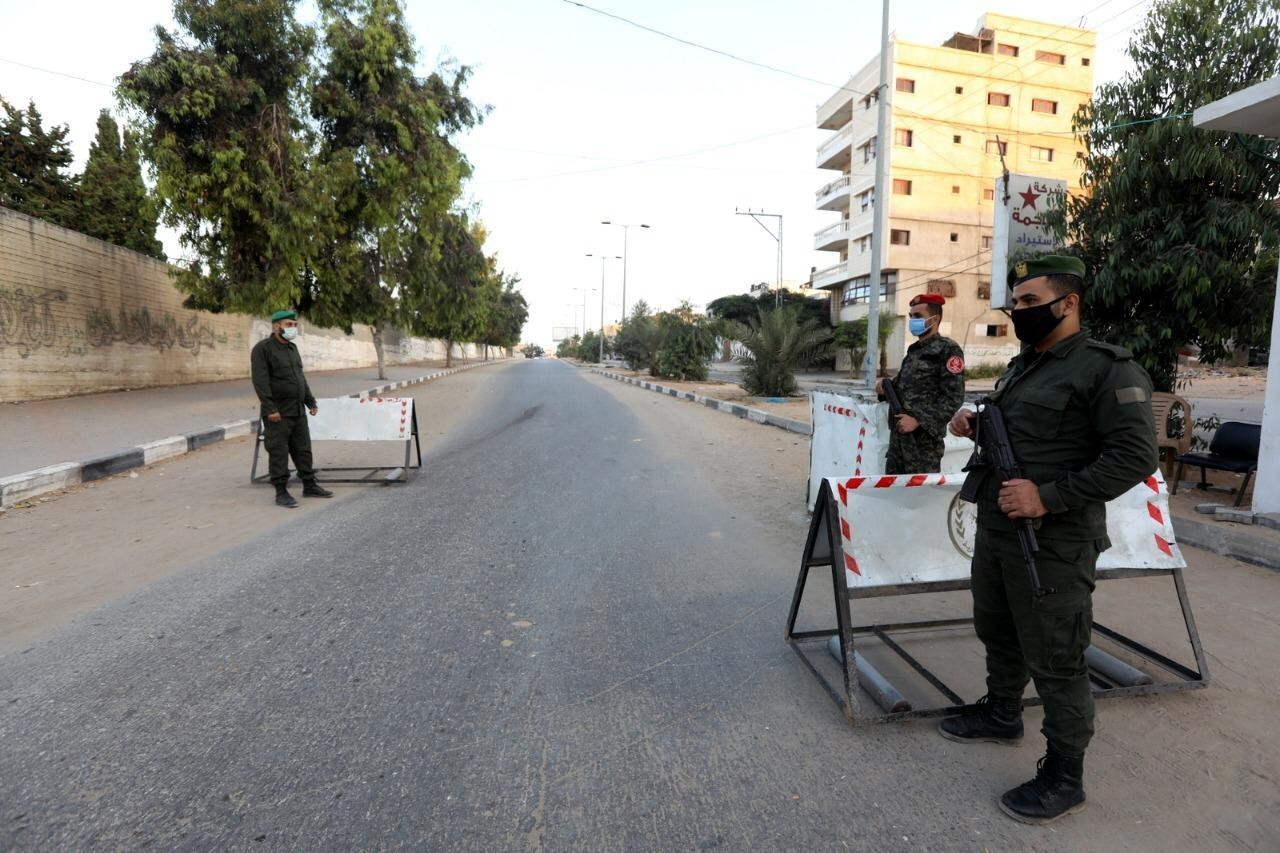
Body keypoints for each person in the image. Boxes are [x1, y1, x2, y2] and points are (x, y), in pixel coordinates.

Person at [942, 256, 1157, 824]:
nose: (1019, 311)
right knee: (998, 629)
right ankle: (1002, 713)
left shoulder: (1107, 369)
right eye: (1016, 302)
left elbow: (1135, 457)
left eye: (1031, 302)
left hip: (1055, 541)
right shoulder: (1025, 365)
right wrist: (972, 422)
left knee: (1057, 657)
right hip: (999, 527)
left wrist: (1049, 496)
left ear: (1069, 303)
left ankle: (1065, 776)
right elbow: (1023, 433)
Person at [250, 309, 333, 508]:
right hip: (278, 412)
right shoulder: (263, 349)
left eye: (295, 325)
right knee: (279, 452)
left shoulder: (292, 348)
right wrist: (270, 409)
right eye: (289, 325)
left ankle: (309, 485)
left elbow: (300, 378)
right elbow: (260, 381)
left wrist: (310, 402)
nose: (293, 328)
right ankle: (281, 491)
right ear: (276, 326)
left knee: (303, 449)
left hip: (297, 410)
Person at [875, 293, 965, 474]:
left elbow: (954, 397)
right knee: (893, 489)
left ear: (935, 319)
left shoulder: (948, 349)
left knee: (920, 491)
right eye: (911, 316)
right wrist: (884, 388)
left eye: (918, 316)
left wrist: (918, 420)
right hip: (899, 440)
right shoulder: (914, 351)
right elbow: (905, 386)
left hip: (923, 445)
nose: (912, 321)